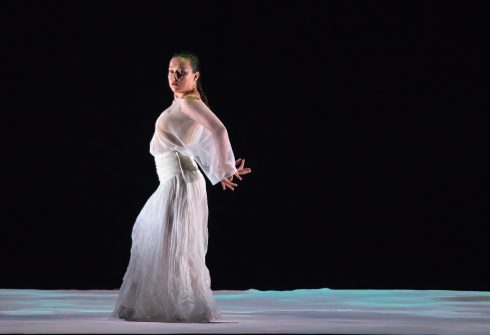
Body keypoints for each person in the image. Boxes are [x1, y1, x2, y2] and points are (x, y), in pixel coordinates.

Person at [111, 52, 251, 322]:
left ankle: (180, 306)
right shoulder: (182, 103)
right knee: (164, 242)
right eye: (170, 71)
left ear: (195, 77)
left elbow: (219, 131)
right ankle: (167, 305)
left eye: (181, 73)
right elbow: (199, 144)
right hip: (177, 179)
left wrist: (225, 167)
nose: (174, 77)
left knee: (171, 243)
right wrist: (218, 170)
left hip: (180, 181)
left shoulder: (189, 103)